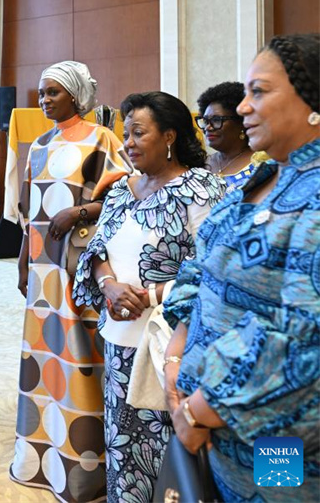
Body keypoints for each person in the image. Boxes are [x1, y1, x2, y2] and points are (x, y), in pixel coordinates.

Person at [162, 32, 320, 502]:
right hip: (212, 436)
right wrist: (175, 357)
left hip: (278, 446)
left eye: (259, 91)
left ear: (312, 97)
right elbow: (200, 268)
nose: (244, 108)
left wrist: (196, 411)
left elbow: (305, 343)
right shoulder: (265, 174)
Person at [72, 91, 226, 503]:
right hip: (119, 344)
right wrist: (109, 286)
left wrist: (152, 293)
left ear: (170, 136)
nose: (129, 143)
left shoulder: (199, 187)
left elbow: (214, 270)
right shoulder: (123, 189)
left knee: (168, 460)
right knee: (123, 449)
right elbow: (96, 251)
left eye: (139, 133)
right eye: (127, 134)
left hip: (168, 349)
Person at [9, 61, 132, 502]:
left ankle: (83, 467)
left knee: (80, 356)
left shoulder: (104, 139)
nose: (44, 101)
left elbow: (126, 196)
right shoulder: (39, 145)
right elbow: (29, 217)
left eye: (53, 93)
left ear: (77, 95)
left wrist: (79, 212)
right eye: (41, 93)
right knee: (46, 356)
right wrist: (24, 263)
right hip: (43, 271)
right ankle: (41, 456)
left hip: (80, 267)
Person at [196, 81, 265, 191]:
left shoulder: (260, 164)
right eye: (205, 121)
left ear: (241, 122)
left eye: (216, 120)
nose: (208, 127)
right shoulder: (199, 165)